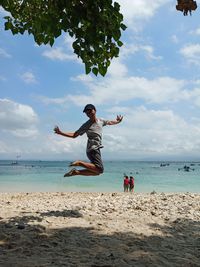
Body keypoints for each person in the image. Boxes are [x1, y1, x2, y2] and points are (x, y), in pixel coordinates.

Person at [54, 104, 123, 177]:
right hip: (92, 149)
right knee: (100, 169)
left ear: (95, 110)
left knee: (96, 172)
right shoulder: (86, 125)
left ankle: (76, 172)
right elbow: (74, 135)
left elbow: (110, 122)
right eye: (87, 112)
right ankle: (79, 163)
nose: (89, 113)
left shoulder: (101, 120)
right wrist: (60, 133)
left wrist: (118, 121)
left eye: (90, 111)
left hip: (96, 149)